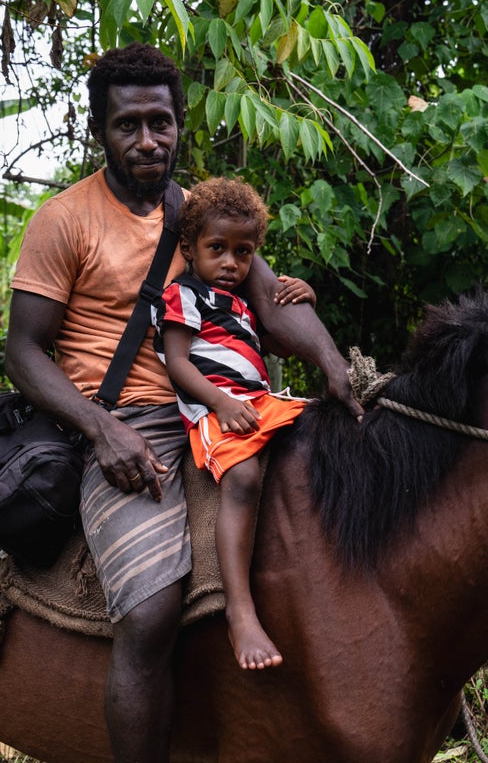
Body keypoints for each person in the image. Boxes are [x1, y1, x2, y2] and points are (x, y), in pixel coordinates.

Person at [3, 44, 362, 762]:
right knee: (152, 609)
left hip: (226, 406)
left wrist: (332, 362)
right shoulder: (65, 220)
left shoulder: (202, 215)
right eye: (127, 125)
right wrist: (102, 432)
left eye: (160, 123)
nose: (147, 141)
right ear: (99, 131)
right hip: (126, 423)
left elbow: (272, 301)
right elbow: (22, 352)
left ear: (179, 124)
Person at [155, 177, 316, 671]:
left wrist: (303, 298)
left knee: (326, 434)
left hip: (260, 400)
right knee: (243, 476)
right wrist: (221, 404)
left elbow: (281, 345)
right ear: (190, 248)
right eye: (217, 249)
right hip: (211, 411)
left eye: (243, 252)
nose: (230, 263)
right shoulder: (182, 296)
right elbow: (178, 363)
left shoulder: (242, 302)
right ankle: (239, 612)